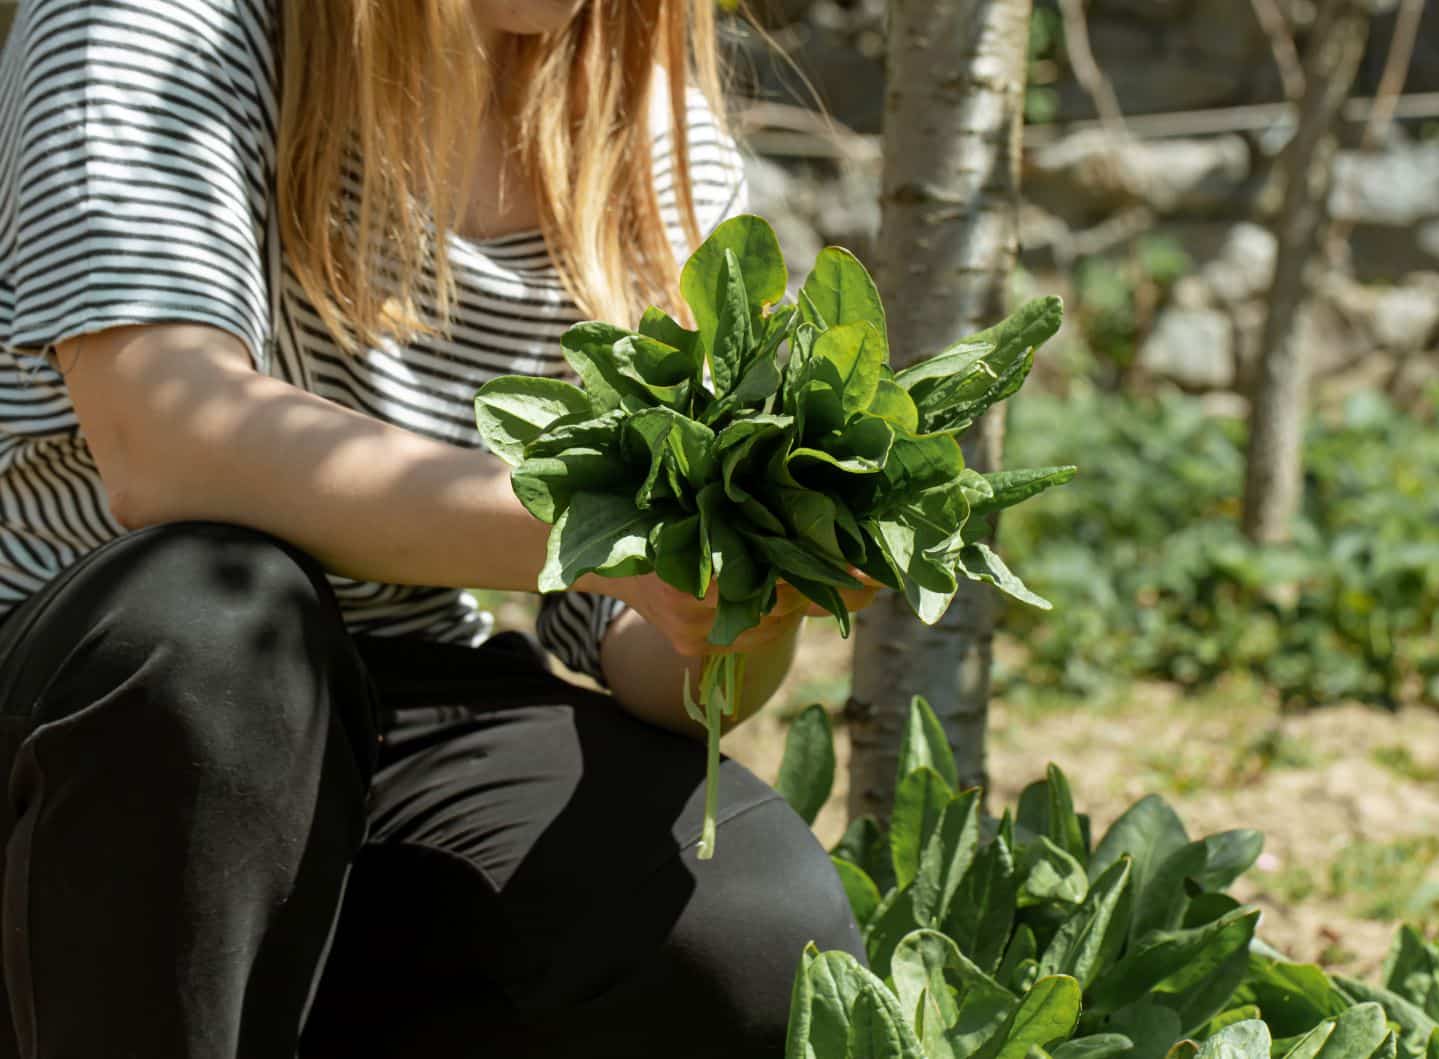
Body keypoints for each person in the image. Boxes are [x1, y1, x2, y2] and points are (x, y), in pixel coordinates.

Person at [0, 0, 871, 1055]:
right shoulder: (157, 22)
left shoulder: (645, 136)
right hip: (95, 689)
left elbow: (637, 652)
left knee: (742, 930)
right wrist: (623, 534)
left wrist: (735, 602)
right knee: (211, 630)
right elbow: (167, 444)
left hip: (395, 690)